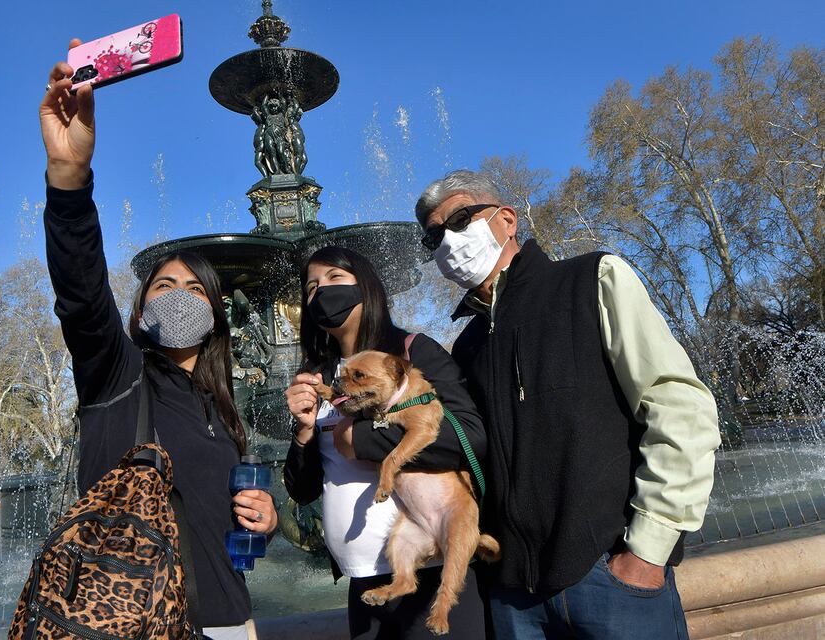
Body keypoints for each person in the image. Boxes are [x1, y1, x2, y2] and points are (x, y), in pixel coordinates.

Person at [414, 169, 722, 639]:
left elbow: (678, 406)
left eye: (459, 219)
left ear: (507, 220)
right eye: (433, 237)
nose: (448, 241)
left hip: (611, 578)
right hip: (514, 599)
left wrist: (647, 550)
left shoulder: (593, 280)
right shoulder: (466, 346)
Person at [40, 42, 277, 640]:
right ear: (142, 309)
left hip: (229, 624)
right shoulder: (118, 376)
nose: (176, 295)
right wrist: (69, 178)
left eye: (195, 289)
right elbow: (81, 291)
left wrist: (263, 522)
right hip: (131, 625)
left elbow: (211, 522)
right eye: (162, 285)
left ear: (218, 313)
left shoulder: (220, 405)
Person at [283, 246, 491, 639]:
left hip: (430, 570)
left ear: (367, 288)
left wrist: (361, 440)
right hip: (364, 583)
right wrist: (305, 431)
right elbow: (303, 488)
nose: (320, 292)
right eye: (311, 287)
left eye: (334, 279)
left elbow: (469, 436)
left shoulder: (411, 353)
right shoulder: (317, 376)